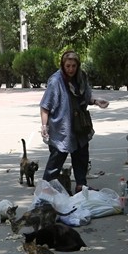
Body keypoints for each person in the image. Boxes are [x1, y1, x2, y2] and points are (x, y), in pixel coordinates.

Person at [39, 51, 108, 193]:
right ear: (63, 66)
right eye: (68, 66)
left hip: (79, 125)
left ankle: (81, 186)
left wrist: (96, 101)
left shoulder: (81, 77)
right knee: (56, 161)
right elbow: (45, 106)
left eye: (74, 66)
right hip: (61, 128)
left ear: (78, 66)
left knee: (81, 157)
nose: (71, 69)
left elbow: (86, 96)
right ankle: (44, 191)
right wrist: (44, 126)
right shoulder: (56, 81)